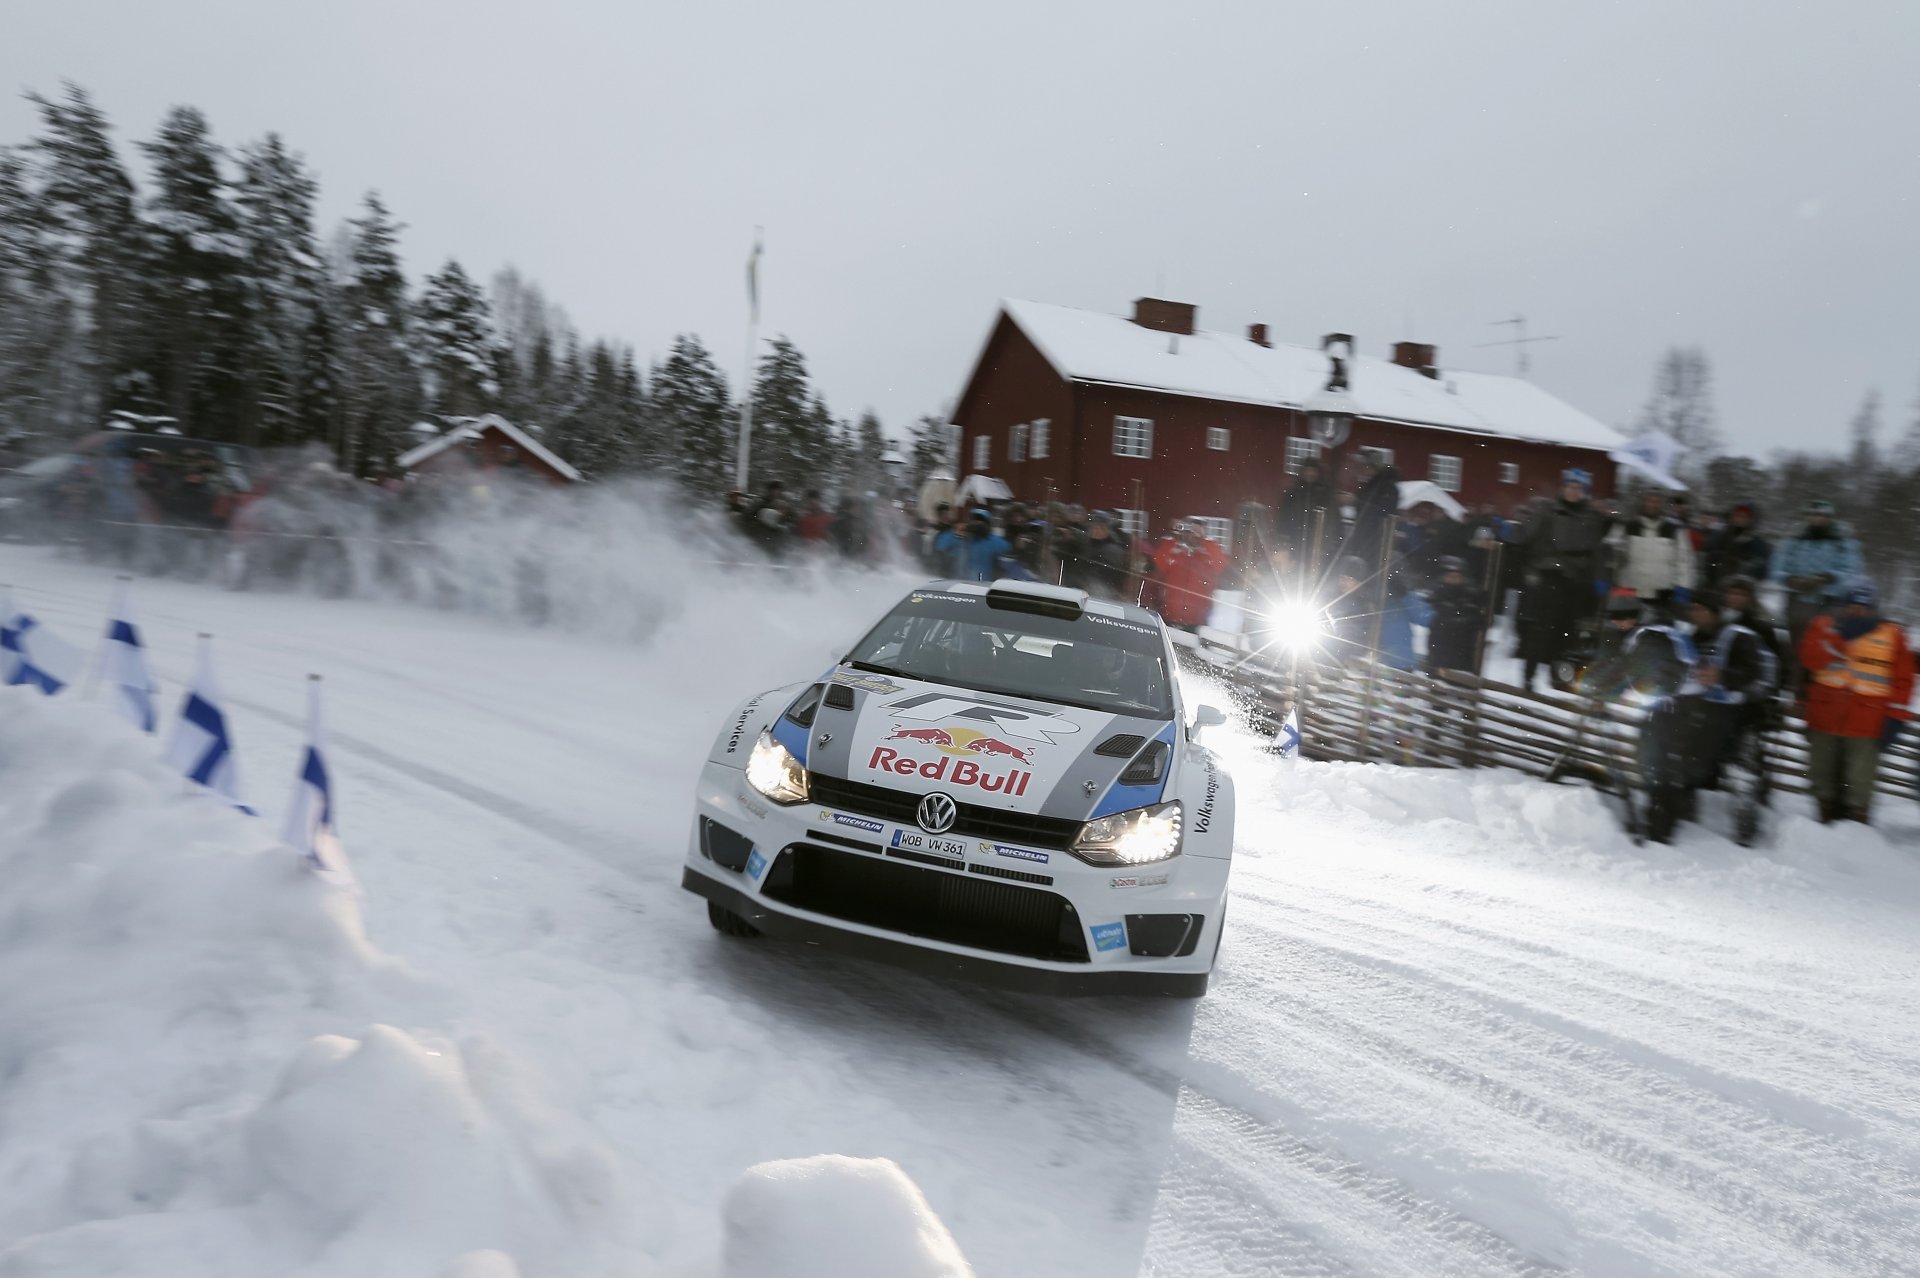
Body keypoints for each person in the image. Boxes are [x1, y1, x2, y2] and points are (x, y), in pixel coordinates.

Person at [1799, 584, 1913, 824]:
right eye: (1852, 606)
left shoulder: (1893, 634)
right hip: (1825, 715)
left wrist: (1895, 717)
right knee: (1821, 775)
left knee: (1860, 783)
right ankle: (1822, 824)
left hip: (1868, 721)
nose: (1857, 611)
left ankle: (1857, 829)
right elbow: (1808, 659)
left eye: (1864, 607)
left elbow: (1903, 680)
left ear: (1874, 609)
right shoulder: (1823, 625)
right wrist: (1837, 640)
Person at [1517, 469, 1611, 691]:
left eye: (1578, 488)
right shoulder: (1548, 510)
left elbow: (1597, 550)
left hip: (1577, 579)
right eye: (1570, 486)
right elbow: (1526, 533)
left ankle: (1558, 679)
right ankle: (1529, 676)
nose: (1573, 491)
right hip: (1551, 574)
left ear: (1585, 492)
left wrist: (1600, 578)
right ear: (1563, 488)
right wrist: (1511, 532)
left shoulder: (1591, 517)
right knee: (1542, 627)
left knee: (1567, 631)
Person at [1769, 499, 1865, 679]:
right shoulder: (1794, 540)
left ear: (1831, 518)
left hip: (1830, 603)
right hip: (1798, 602)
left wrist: (1827, 577)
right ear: (1807, 517)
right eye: (1814, 514)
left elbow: (1853, 572)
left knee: (1824, 649)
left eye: (1824, 515)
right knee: (1799, 649)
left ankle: (1820, 685)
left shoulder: (1842, 543)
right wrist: (1791, 580)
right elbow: (1776, 568)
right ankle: (1797, 685)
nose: (1819, 519)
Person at [1608, 489, 1696, 609]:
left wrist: (1684, 586)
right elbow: (1611, 552)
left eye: (1657, 502)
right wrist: (1608, 578)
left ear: (1663, 505)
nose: (1652, 505)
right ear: (1642, 503)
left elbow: (1684, 560)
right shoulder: (1627, 526)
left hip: (1664, 593)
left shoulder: (1674, 530)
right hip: (1630, 590)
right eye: (1649, 501)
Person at [1146, 520, 1228, 631]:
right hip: (1170, 615)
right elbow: (1159, 561)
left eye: (1198, 532)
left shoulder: (1208, 555)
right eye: (1191, 531)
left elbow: (1221, 564)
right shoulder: (1175, 551)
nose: (1194, 535)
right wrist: (1174, 538)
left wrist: (1205, 543)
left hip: (1198, 620)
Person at [1426, 555, 1488, 676]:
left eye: (1457, 576)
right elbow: (1435, 618)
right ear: (1443, 577)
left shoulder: (1470, 600)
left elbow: (1479, 624)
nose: (1453, 579)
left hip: (1463, 658)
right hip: (1440, 655)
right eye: (1450, 576)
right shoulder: (1437, 597)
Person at [1277, 458, 1338, 565]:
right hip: (1296, 540)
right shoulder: (1293, 493)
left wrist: (1328, 543)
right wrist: (1283, 539)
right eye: (1307, 470)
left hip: (1317, 542)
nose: (1310, 473)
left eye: (1313, 471)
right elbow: (1284, 517)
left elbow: (1332, 520)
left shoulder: (1326, 494)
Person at [1347, 449, 1402, 567]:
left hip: (1376, 542)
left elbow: (1382, 512)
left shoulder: (1388, 488)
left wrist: (1356, 502)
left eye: (1365, 466)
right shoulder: (1369, 485)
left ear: (1373, 467)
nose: (1362, 469)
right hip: (1363, 538)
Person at [1703, 502, 1771, 587]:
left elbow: (1759, 566)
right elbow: (1711, 557)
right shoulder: (1722, 536)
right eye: (1737, 516)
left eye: (1744, 517)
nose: (1739, 519)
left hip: (1743, 584)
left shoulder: (1757, 542)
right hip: (1719, 579)